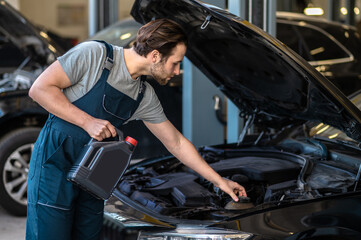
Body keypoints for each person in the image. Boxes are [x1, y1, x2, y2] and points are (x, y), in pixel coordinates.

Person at [26, 18, 247, 240]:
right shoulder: (94, 55)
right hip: (54, 164)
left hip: (93, 178)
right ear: (155, 56)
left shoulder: (143, 95)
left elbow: (176, 143)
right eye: (176, 63)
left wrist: (220, 181)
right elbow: (40, 89)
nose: (178, 71)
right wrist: (86, 121)